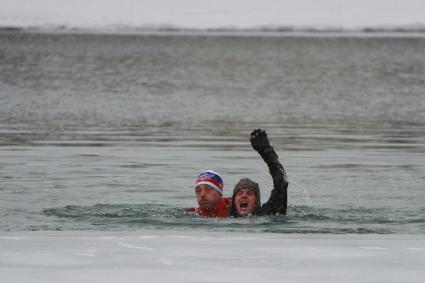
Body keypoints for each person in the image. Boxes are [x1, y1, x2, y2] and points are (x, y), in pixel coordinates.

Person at [229, 129, 288, 217]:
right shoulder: (226, 218)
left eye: (249, 193)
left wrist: (266, 151)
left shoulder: (268, 213)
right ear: (234, 200)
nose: (244, 196)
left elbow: (281, 183)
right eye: (239, 193)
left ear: (256, 200)